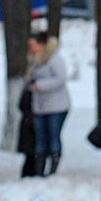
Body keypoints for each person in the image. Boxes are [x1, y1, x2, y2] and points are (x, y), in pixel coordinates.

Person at [23, 30, 71, 176]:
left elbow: (60, 79)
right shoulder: (34, 61)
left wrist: (40, 85)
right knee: (40, 141)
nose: (30, 48)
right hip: (39, 107)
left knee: (53, 137)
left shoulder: (55, 60)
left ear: (42, 44)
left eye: (33, 44)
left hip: (56, 106)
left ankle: (53, 170)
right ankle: (39, 170)